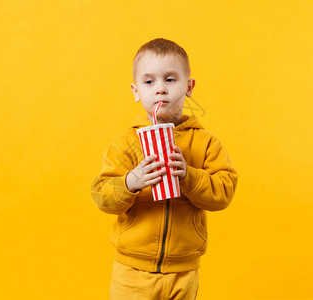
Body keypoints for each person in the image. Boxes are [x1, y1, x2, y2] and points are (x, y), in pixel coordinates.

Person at [90, 38, 238, 300]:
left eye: (170, 80)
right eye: (150, 82)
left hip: (184, 271)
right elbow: (102, 195)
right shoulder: (126, 144)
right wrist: (131, 182)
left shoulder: (205, 143)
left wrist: (189, 176)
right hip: (132, 271)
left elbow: (224, 192)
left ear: (189, 87)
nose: (160, 89)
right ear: (136, 92)